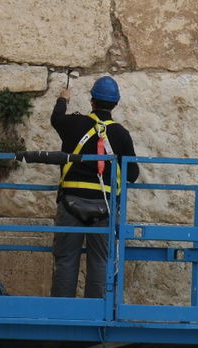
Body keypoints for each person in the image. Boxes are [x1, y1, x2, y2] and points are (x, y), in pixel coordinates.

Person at [49, 76, 139, 298]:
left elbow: (56, 119)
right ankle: (96, 314)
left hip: (70, 203)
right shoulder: (121, 134)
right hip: (104, 206)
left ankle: (62, 315)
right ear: (115, 104)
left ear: (92, 101)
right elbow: (133, 174)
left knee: (66, 260)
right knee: (100, 261)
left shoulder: (73, 125)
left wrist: (63, 98)